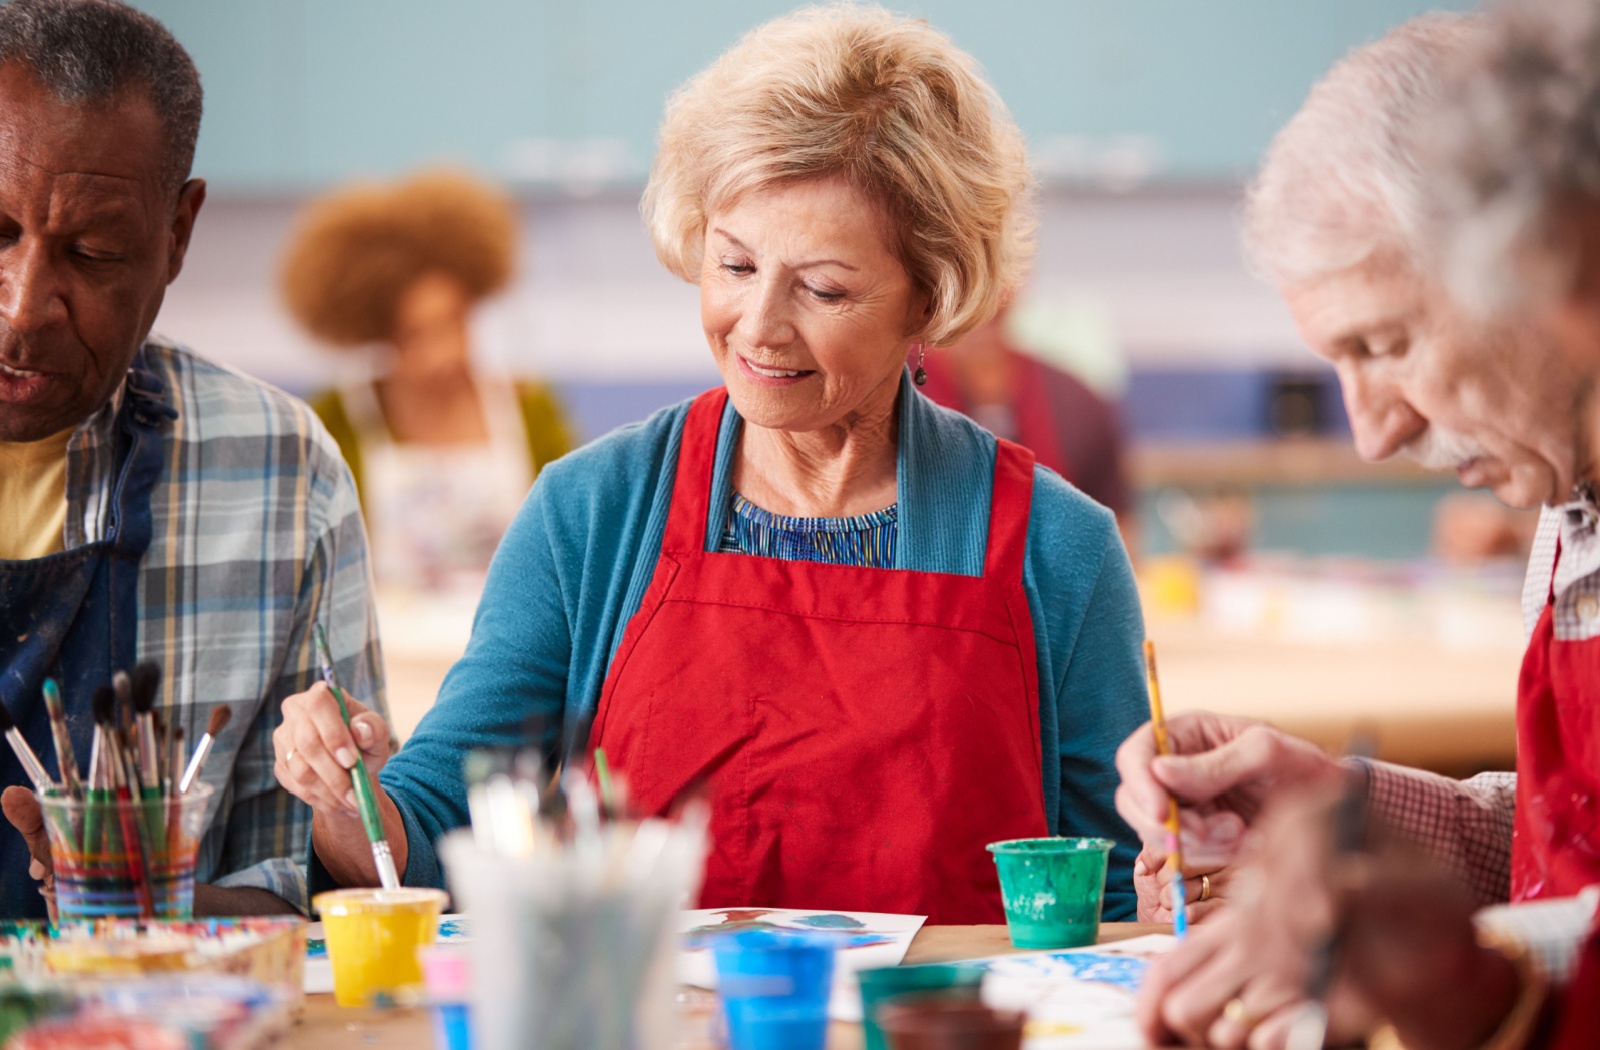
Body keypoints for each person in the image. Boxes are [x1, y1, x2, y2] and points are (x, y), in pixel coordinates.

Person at [273, 5, 1148, 923]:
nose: (760, 327)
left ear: (930, 300)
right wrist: (350, 802)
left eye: (823, 288)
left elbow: (1121, 899)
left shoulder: (1060, 549)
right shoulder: (590, 514)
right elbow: (440, 831)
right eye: (734, 266)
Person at [1122, 8, 1600, 1046]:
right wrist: (1351, 812)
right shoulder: (1574, 501)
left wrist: (1476, 982)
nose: (1372, 433)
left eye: (1383, 342)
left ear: (1554, 265)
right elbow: (1571, 856)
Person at [0, 0, 383, 918]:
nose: (22, 309)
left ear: (177, 233)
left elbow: (316, 893)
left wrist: (143, 903)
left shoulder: (280, 474)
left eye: (92, 252)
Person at [281, 170, 574, 592]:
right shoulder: (339, 417)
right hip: (386, 650)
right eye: (414, 335)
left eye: (455, 322)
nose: (444, 354)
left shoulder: (529, 405)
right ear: (379, 334)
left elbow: (573, 537)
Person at [915, 304, 1133, 530]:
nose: (982, 291)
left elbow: (1118, 534)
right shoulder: (890, 393)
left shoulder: (1077, 402)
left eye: (996, 270)